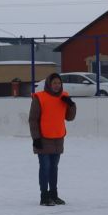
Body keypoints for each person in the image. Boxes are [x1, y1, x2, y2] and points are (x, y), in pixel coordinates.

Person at [28, 71, 77, 206]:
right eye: (54, 83)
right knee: (45, 167)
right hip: (43, 139)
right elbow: (33, 120)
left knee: (54, 168)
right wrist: (36, 138)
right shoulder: (39, 97)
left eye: (59, 83)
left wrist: (71, 105)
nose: (57, 85)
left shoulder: (64, 97)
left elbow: (70, 117)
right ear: (49, 84)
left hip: (58, 138)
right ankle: (44, 196)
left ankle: (54, 195)